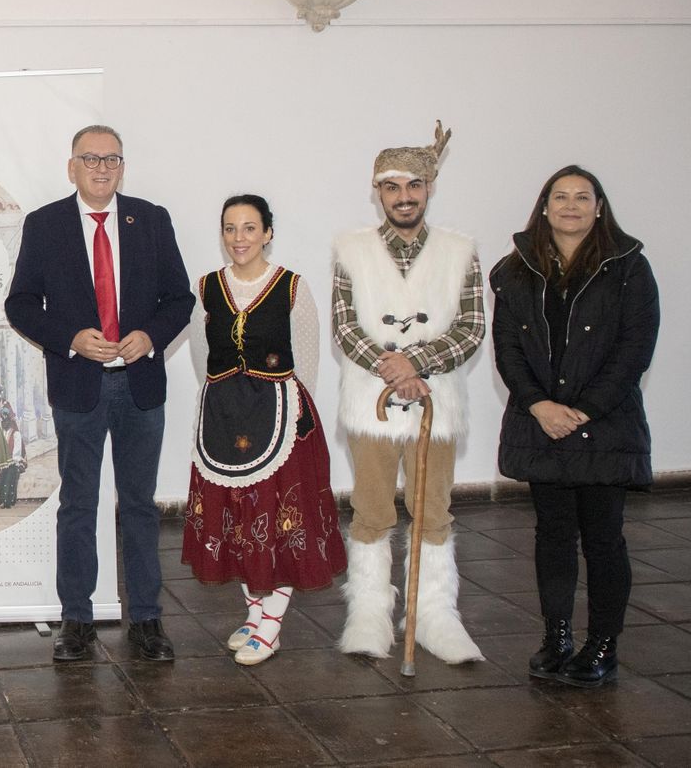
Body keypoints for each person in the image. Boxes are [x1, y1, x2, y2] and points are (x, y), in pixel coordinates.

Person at [5, 124, 194, 662]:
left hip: (139, 387)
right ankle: (77, 620)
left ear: (122, 167)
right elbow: (20, 304)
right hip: (77, 385)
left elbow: (179, 299)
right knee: (79, 504)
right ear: (72, 167)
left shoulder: (151, 220)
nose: (102, 168)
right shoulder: (45, 225)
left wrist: (150, 337)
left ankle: (147, 622)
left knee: (138, 505)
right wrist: (70, 340)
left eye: (112, 159)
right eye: (91, 159)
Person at [492, 166, 658, 688]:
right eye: (559, 197)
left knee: (605, 538)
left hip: (604, 427)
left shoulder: (631, 269)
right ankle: (557, 636)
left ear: (600, 206)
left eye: (582, 197)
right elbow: (508, 350)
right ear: (543, 207)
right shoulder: (515, 271)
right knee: (553, 535)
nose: (570, 206)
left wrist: (582, 411)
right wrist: (540, 406)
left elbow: (635, 351)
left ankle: (602, 644)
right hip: (542, 423)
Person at [333, 123, 484, 663]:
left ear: (429, 188)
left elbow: (471, 328)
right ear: (378, 192)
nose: (404, 197)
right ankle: (370, 611)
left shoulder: (460, 251)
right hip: (369, 403)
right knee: (372, 509)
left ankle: (433, 615)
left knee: (434, 510)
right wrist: (392, 369)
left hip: (435, 403)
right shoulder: (350, 250)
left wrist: (417, 362)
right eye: (392, 187)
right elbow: (346, 326)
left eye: (414, 186)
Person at [180, 195, 346, 666]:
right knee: (235, 514)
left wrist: (295, 417)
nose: (239, 238)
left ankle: (271, 624)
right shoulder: (208, 287)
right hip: (224, 415)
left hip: (281, 416)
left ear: (268, 233)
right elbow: (201, 354)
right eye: (230, 229)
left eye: (250, 228)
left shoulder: (293, 286)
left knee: (280, 517)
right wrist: (218, 402)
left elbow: (307, 362)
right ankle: (254, 616)